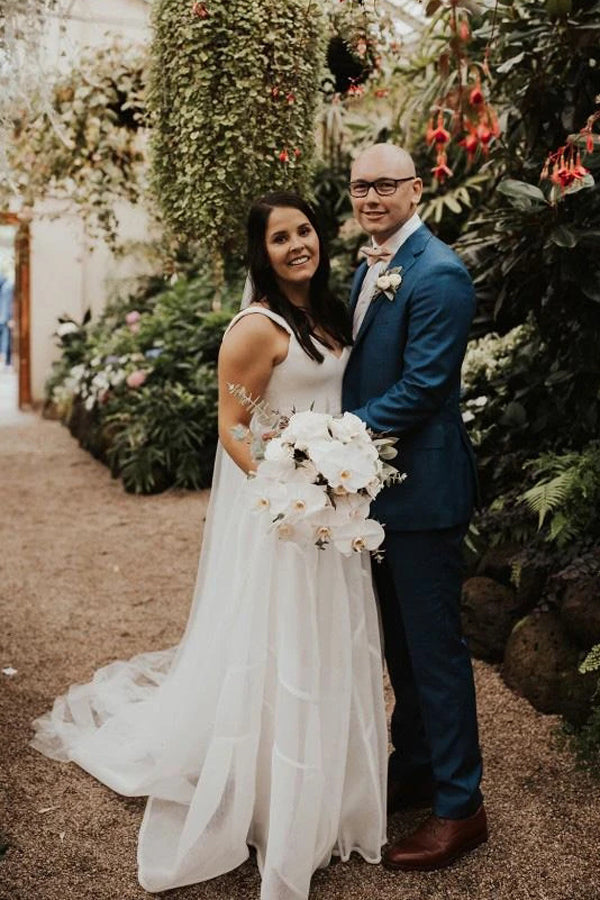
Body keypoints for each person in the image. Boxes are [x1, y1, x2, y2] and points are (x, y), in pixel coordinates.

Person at [31, 192, 387, 898]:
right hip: (288, 516)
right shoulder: (256, 328)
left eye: (305, 231)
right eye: (280, 238)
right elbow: (233, 424)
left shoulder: (328, 313)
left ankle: (330, 791)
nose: (297, 245)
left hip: (331, 512)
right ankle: (268, 800)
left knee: (328, 643)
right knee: (280, 647)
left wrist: (338, 482)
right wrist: (291, 488)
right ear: (263, 252)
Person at [343, 143, 487, 871]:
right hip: (377, 492)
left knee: (435, 653)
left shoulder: (438, 273)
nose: (371, 197)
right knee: (399, 644)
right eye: (360, 186)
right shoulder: (365, 266)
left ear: (417, 188)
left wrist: (333, 438)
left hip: (424, 493)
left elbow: (424, 387)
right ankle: (420, 763)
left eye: (385, 185)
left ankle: (462, 808)